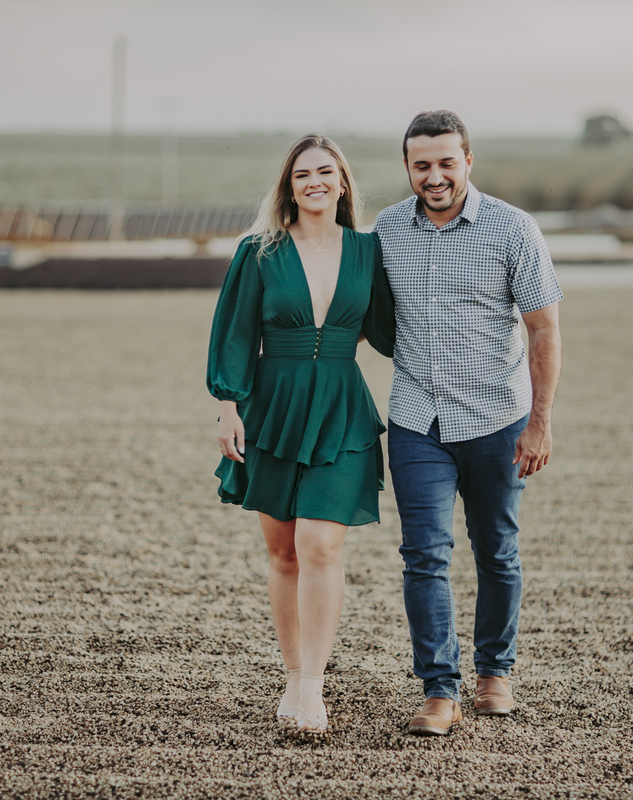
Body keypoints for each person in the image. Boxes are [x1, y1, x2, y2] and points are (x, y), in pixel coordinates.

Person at [373, 110, 563, 736]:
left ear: (468, 161)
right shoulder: (388, 229)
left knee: (496, 552)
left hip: (495, 420)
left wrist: (539, 423)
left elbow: (543, 329)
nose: (434, 176)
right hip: (416, 420)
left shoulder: (513, 229)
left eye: (446, 162)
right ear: (408, 167)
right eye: (421, 164)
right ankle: (438, 689)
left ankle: (494, 673)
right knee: (423, 555)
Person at [206, 134, 394, 737]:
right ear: (289, 186)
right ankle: (292, 674)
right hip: (273, 409)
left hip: (341, 405)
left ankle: (313, 684)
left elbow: (394, 329)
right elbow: (233, 334)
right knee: (283, 550)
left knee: (320, 543)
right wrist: (228, 406)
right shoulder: (258, 251)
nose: (314, 181)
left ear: (342, 182)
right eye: (302, 173)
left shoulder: (369, 251)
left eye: (326, 171)